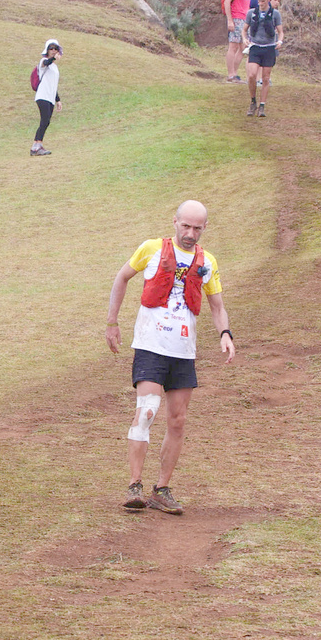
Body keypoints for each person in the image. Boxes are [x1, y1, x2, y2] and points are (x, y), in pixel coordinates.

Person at [105, 201, 234, 516]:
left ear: (204, 228)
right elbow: (122, 277)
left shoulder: (208, 262)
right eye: (186, 226)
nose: (190, 233)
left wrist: (225, 333)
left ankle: (161, 489)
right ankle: (134, 485)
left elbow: (217, 305)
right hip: (151, 346)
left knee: (177, 420)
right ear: (175, 222)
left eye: (197, 228)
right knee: (147, 411)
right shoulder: (151, 249)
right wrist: (112, 322)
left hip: (183, 352)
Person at [243, 0, 283, 117]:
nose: (260, 4)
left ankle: (262, 105)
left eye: (263, 1)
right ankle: (253, 101)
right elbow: (244, 29)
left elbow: (280, 32)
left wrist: (280, 41)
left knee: (265, 78)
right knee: (251, 75)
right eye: (259, 1)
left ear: (268, 0)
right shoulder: (251, 13)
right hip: (255, 47)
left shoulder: (275, 14)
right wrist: (244, 39)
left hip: (269, 48)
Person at [222, 0, 254, 83]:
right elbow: (227, 2)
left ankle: (234, 73)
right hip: (236, 18)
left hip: (245, 20)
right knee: (233, 46)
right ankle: (230, 75)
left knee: (243, 47)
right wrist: (230, 20)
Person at [31, 39, 62, 156]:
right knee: (44, 121)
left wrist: (58, 100)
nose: (53, 50)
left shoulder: (55, 68)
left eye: (55, 48)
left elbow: (53, 85)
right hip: (42, 95)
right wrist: (53, 59)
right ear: (47, 50)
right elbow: (46, 63)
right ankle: (36, 147)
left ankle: (37, 146)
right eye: (51, 48)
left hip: (50, 97)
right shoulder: (43, 61)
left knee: (46, 121)